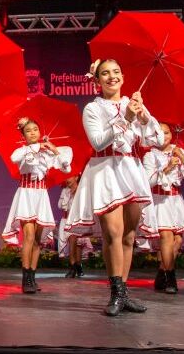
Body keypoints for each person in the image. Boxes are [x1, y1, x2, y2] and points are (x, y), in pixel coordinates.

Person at [63, 59, 163, 316]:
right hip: (105, 171)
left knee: (129, 236)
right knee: (113, 234)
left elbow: (157, 139)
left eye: (116, 72)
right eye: (105, 73)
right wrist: (124, 118)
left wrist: (143, 116)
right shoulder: (93, 109)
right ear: (96, 80)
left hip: (130, 170)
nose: (111, 77)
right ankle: (116, 292)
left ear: (123, 76)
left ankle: (124, 292)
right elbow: (97, 142)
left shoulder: (134, 103)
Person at [1, 117, 72, 293]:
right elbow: (14, 157)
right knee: (29, 237)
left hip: (41, 196)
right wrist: (36, 147)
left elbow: (66, 168)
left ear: (40, 132)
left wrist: (53, 149)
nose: (32, 132)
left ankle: (32, 277)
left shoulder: (47, 152)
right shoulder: (22, 151)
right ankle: (25, 278)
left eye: (35, 129)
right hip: (26, 194)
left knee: (38, 241)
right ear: (23, 135)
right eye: (28, 130)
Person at [142, 122, 184, 294]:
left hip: (176, 200)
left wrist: (182, 157)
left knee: (178, 241)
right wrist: (166, 168)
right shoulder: (150, 155)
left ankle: (161, 273)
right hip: (159, 200)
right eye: (159, 132)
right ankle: (170, 277)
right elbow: (148, 181)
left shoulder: (178, 151)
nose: (164, 136)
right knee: (166, 238)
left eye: (166, 132)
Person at [57, 175, 86, 278]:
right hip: (66, 220)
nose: (67, 180)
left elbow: (83, 205)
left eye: (69, 177)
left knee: (78, 244)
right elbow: (60, 205)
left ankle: (78, 265)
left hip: (77, 219)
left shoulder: (81, 189)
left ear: (76, 178)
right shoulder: (65, 191)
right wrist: (67, 197)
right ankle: (73, 267)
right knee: (71, 242)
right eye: (66, 177)